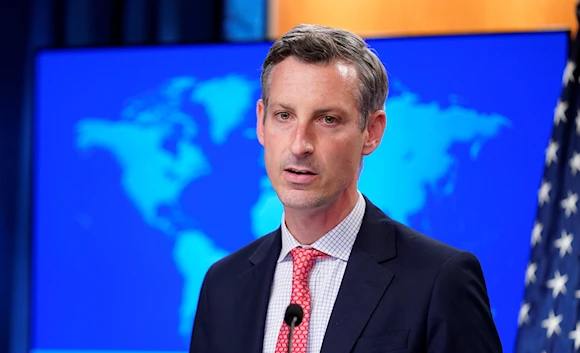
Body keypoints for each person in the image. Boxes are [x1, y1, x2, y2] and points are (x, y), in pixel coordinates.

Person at [189, 24, 502, 353]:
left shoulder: (439, 280)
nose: (299, 145)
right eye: (284, 115)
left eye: (327, 120)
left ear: (372, 132)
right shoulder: (222, 285)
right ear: (261, 122)